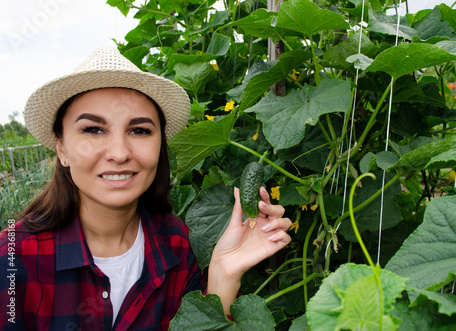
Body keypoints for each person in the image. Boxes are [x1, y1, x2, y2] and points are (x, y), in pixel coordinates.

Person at [0, 47, 292, 330]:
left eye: (139, 130)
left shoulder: (177, 243)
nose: (119, 153)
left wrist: (223, 275)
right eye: (93, 129)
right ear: (61, 148)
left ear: (160, 146)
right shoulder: (10, 260)